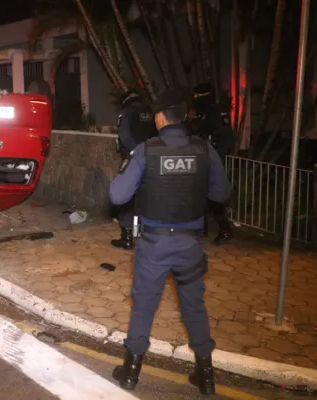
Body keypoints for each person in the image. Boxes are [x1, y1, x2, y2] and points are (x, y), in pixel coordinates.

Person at [108, 89, 232, 395]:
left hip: (154, 245)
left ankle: (130, 374)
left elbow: (117, 195)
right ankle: (206, 376)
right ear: (186, 116)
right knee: (194, 307)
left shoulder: (146, 150)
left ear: (161, 117)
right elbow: (221, 194)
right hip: (190, 244)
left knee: (144, 307)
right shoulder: (204, 150)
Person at [111, 89, 158, 250]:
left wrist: (135, 154)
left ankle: (127, 237)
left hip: (132, 160)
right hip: (152, 159)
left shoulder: (127, 112)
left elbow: (124, 136)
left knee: (125, 197)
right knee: (147, 197)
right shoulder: (150, 113)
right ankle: (148, 236)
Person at [190, 82, 234, 245]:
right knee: (201, 195)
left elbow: (225, 137)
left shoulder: (216, 111)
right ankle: (203, 229)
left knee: (214, 197)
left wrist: (216, 156)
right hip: (204, 158)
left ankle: (225, 229)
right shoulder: (205, 112)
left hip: (213, 159)